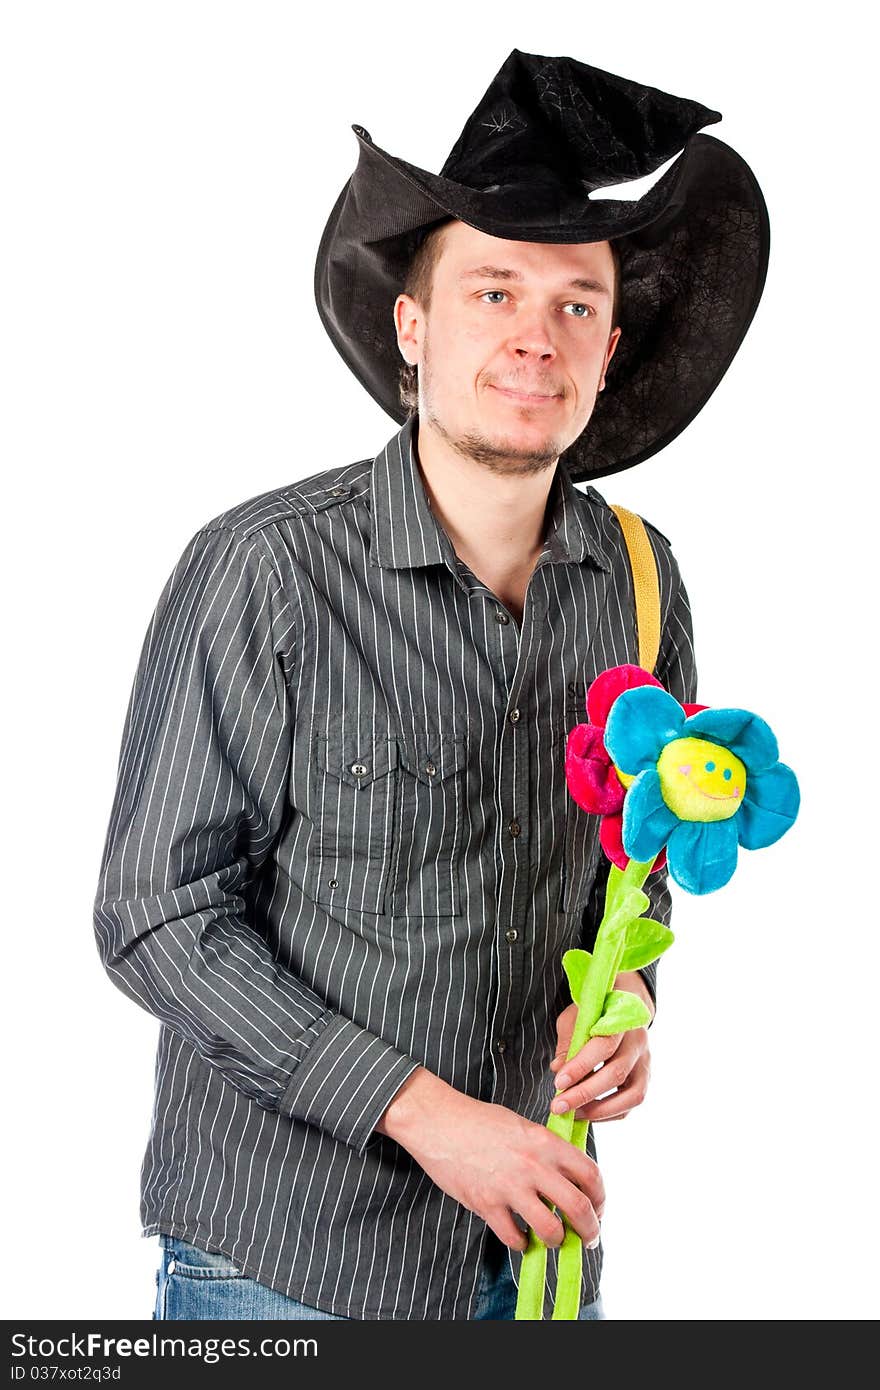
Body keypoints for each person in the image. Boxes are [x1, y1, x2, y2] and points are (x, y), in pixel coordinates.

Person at [93, 48, 768, 1321]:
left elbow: (642, 857)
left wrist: (623, 1003)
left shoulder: (637, 581)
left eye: (575, 304)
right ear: (413, 326)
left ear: (611, 348)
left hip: (536, 1261)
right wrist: (427, 1117)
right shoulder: (265, 572)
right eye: (493, 289)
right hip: (280, 1268)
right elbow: (155, 913)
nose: (534, 334)